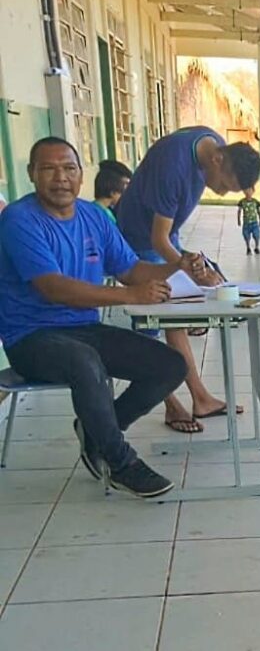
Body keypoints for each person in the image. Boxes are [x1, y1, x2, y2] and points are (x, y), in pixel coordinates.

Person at [0, 137, 190, 497]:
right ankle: (120, 462)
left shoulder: (92, 215)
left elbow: (131, 269)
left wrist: (178, 267)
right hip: (31, 337)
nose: (60, 178)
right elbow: (52, 287)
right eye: (48, 168)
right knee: (84, 362)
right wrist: (131, 296)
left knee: (170, 365)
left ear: (81, 174)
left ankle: (97, 431)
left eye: (69, 168)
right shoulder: (18, 220)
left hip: (83, 328)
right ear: (31, 174)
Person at [116, 126, 260, 432]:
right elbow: (158, 239)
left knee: (181, 309)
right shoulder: (173, 166)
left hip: (167, 235)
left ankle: (200, 398)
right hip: (138, 240)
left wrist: (191, 264)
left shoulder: (214, 146)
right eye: (223, 185)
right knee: (158, 315)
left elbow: (169, 234)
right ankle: (171, 403)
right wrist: (183, 265)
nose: (220, 192)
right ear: (218, 159)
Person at [237, 187, 260, 254]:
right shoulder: (242, 202)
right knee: (246, 236)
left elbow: (258, 212)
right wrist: (239, 220)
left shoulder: (255, 201)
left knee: (257, 235)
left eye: (250, 191)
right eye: (246, 191)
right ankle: (248, 248)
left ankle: (256, 247)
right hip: (246, 224)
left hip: (254, 223)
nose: (248, 192)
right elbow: (239, 211)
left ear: (253, 191)